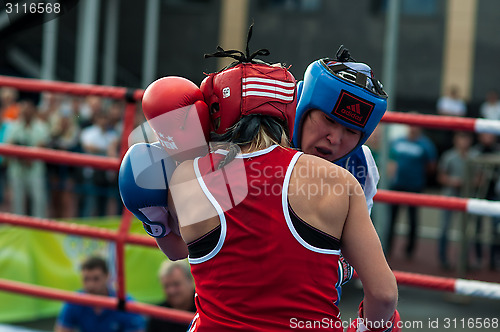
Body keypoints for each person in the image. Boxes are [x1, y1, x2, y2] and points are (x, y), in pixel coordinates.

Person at [120, 33, 400, 331]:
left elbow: (176, 249)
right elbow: (382, 293)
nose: (335, 138)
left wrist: (157, 222)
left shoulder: (190, 176)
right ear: (296, 108)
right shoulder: (342, 183)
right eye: (328, 121)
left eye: (351, 131)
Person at [386, 123, 437, 258]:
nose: (413, 128)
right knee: (391, 218)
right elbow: (391, 160)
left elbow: (431, 166)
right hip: (397, 185)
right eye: (411, 125)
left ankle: (410, 251)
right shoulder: (398, 141)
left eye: (415, 125)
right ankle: (387, 247)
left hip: (414, 186)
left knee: (413, 219)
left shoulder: (426, 145)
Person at [55, 256, 145, 332]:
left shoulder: (126, 304)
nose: (90, 285)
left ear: (107, 276)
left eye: (96, 279)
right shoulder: (75, 301)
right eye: (86, 279)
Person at [5, 100, 50, 218]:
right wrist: (23, 157)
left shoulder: (41, 126)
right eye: (24, 110)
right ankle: (17, 228)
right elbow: (9, 145)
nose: (26, 112)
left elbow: (43, 145)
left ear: (33, 111)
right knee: (17, 200)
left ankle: (39, 226)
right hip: (17, 168)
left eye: (29, 109)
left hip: (35, 168)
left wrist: (29, 156)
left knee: (38, 199)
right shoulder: (14, 126)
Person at [437, 131, 473, 270]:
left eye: (466, 138)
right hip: (450, 196)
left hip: (467, 197)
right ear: (455, 139)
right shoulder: (449, 156)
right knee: (445, 228)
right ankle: (443, 259)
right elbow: (441, 177)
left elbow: (480, 178)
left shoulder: (473, 156)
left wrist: (468, 182)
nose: (463, 141)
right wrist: (453, 182)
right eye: (461, 137)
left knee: (467, 231)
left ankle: (464, 261)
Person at [147, 261, 196, 332]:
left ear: (191, 281)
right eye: (166, 286)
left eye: (176, 284)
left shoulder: (206, 308)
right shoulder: (158, 314)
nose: (171, 291)